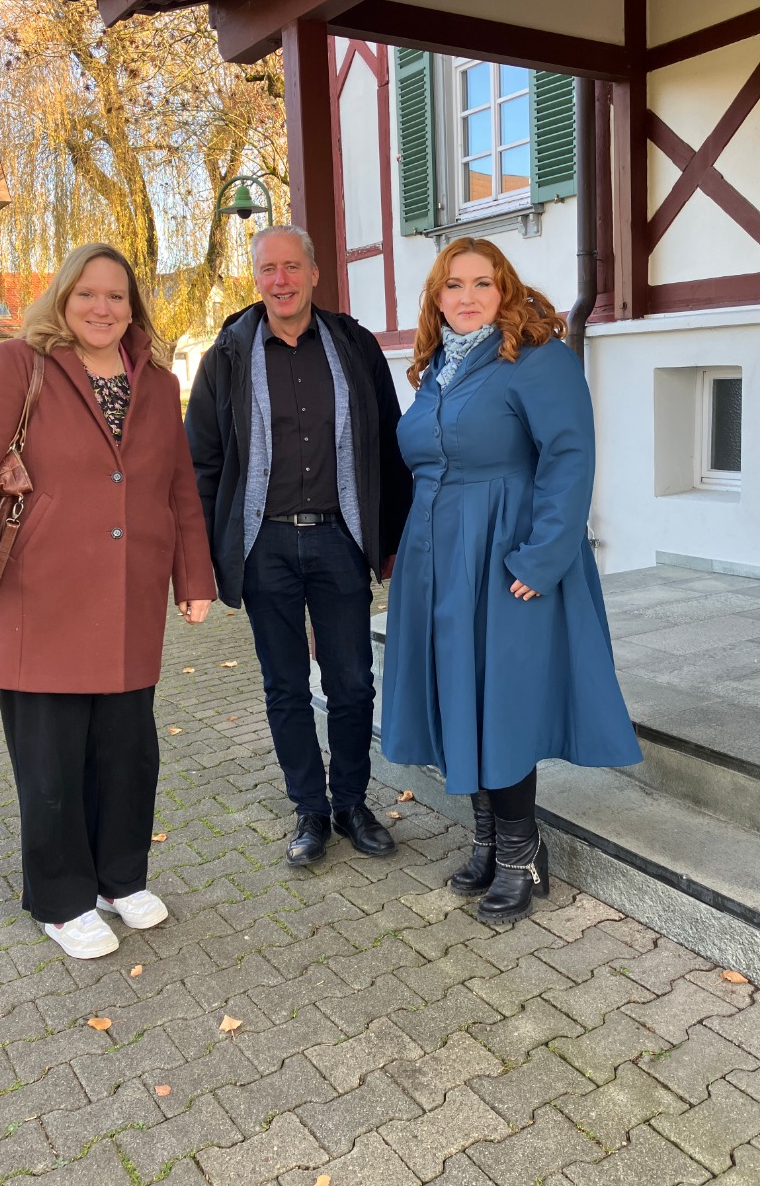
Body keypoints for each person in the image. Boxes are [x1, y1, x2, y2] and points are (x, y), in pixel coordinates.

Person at [0, 243, 216, 960]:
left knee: (128, 753)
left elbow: (178, 485)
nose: (102, 307)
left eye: (117, 296)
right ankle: (60, 899)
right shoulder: (17, 367)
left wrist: (195, 576)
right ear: (62, 298)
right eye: (88, 293)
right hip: (40, 598)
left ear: (133, 307)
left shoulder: (155, 380)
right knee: (52, 761)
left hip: (129, 599)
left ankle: (120, 879)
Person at [380, 237, 642, 925]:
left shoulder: (536, 357)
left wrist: (542, 556)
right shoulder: (436, 369)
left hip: (504, 555)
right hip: (439, 560)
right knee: (461, 698)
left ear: (506, 290)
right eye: (453, 285)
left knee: (503, 703)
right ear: (437, 298)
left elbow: (569, 454)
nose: (467, 297)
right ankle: (490, 840)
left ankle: (522, 853)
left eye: (482, 283)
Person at [185, 224, 410, 868]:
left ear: (315, 273)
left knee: (352, 682)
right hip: (265, 547)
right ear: (254, 280)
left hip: (340, 540)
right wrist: (206, 553)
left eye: (291, 267)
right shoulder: (228, 352)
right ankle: (309, 811)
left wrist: (389, 539)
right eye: (267, 270)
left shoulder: (353, 344)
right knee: (284, 687)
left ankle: (352, 804)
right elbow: (200, 461)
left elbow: (389, 446)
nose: (279, 280)